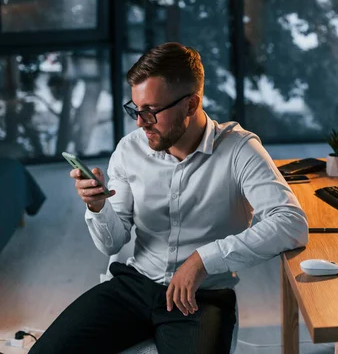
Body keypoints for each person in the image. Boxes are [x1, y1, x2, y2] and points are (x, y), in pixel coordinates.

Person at [30, 42, 309, 354]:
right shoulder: (129, 150)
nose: (140, 122)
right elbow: (112, 242)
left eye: (150, 111)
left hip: (200, 300)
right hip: (132, 287)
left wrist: (203, 260)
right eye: (135, 109)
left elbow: (290, 224)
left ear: (191, 105)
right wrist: (98, 207)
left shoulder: (240, 150)